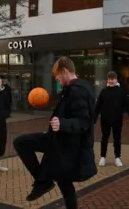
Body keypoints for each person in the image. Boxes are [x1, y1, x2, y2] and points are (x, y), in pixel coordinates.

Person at [13, 56, 97, 208]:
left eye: (57, 77)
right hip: (61, 141)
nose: (57, 80)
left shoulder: (77, 91)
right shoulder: (73, 89)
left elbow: (84, 121)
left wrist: (63, 123)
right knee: (64, 181)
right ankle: (43, 182)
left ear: (65, 71)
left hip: (65, 145)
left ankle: (43, 182)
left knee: (21, 143)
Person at [95, 71, 129, 167]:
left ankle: (117, 157)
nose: (111, 81)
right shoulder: (104, 92)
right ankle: (103, 157)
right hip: (105, 119)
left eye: (112, 79)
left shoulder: (121, 92)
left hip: (117, 119)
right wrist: (94, 118)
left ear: (116, 80)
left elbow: (127, 105)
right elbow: (98, 106)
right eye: (109, 79)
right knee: (104, 138)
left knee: (117, 139)